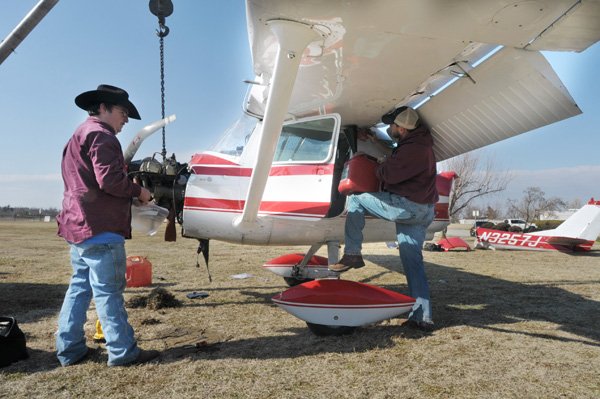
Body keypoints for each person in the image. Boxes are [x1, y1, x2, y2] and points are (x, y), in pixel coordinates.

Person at [55, 84, 159, 366]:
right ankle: (123, 352)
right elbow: (109, 181)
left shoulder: (78, 135)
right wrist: (140, 193)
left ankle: (69, 349)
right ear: (103, 108)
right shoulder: (102, 136)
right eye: (123, 112)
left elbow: (94, 183)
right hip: (100, 228)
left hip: (78, 225)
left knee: (79, 287)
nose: (126, 118)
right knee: (108, 292)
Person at [329, 106, 438, 332]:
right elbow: (397, 155)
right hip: (422, 209)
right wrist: (377, 144)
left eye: (391, 126)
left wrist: (377, 165)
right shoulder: (418, 143)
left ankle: (352, 254)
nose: (389, 129)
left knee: (357, 200)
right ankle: (422, 317)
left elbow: (388, 173)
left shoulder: (412, 150)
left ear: (401, 128)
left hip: (408, 207)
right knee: (412, 262)